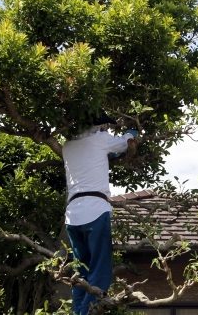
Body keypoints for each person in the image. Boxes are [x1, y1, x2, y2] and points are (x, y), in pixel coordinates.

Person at [63, 113, 137, 315]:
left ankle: (78, 311)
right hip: (96, 210)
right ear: (98, 125)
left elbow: (91, 158)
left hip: (72, 215)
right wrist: (132, 132)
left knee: (81, 271)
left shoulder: (67, 146)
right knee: (100, 270)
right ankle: (88, 311)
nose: (106, 127)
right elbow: (124, 143)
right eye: (105, 124)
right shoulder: (100, 139)